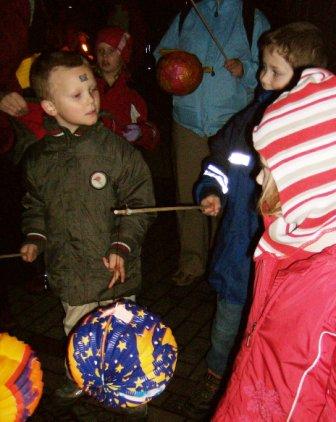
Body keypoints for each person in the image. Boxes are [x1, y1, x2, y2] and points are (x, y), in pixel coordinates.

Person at [183, 22, 329, 420]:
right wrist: (211, 191)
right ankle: (216, 373)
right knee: (228, 323)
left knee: (267, 336)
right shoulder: (249, 120)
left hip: (288, 266)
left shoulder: (317, 125)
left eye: (274, 71)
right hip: (240, 253)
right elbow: (217, 162)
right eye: (262, 68)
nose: (262, 77)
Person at [19, 51, 155, 403]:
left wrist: (122, 244)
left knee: (122, 336)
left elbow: (141, 203)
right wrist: (35, 237)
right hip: (72, 272)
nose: (91, 99)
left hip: (115, 272)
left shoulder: (116, 151)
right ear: (49, 107)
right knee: (78, 334)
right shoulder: (38, 159)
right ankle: (79, 376)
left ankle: (131, 388)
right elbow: (34, 204)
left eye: (92, 90)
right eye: (77, 95)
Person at [212, 67, 336, 421]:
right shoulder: (297, 241)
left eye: (269, 166)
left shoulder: (322, 287)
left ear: (309, 181)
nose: (257, 175)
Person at [154, 0, 270, 286]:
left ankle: (224, 260)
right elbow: (161, 54)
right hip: (188, 121)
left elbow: (271, 69)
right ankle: (191, 262)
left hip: (232, 123)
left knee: (228, 194)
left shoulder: (251, 18)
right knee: (189, 191)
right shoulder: (187, 13)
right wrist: (175, 64)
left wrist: (245, 69)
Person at [95, 26, 160, 151]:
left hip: (122, 159)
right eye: (100, 50)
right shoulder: (87, 85)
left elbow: (153, 134)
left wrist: (141, 132)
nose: (105, 56)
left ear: (122, 54)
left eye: (111, 51)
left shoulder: (134, 90)